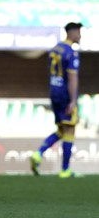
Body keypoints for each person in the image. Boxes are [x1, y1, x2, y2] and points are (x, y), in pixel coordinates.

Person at [31, 22, 82, 178]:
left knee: (62, 129)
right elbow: (72, 77)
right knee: (70, 128)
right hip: (65, 94)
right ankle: (65, 169)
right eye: (79, 32)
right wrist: (73, 100)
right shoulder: (71, 53)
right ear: (71, 33)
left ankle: (38, 153)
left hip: (54, 91)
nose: (80, 36)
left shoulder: (54, 50)